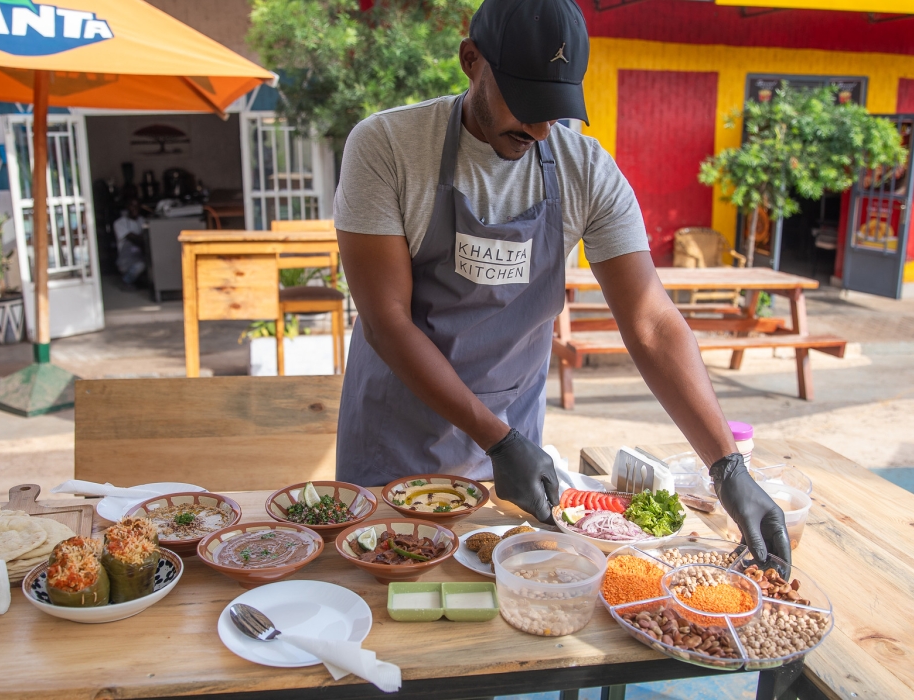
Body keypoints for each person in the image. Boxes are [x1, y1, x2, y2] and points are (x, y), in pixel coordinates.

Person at [333, 0, 790, 566]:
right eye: (525, 102)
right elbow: (386, 321)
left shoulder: (586, 172)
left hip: (512, 465)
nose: (539, 127)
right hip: (394, 444)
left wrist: (726, 467)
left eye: (554, 108)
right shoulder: (388, 147)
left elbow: (650, 322)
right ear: (470, 61)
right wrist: (497, 438)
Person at [113, 199, 147, 286]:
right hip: (126, 260)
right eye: (132, 206)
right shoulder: (119, 223)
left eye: (137, 206)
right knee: (140, 266)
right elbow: (133, 238)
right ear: (127, 208)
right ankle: (125, 281)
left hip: (140, 255)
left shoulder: (142, 220)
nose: (135, 208)